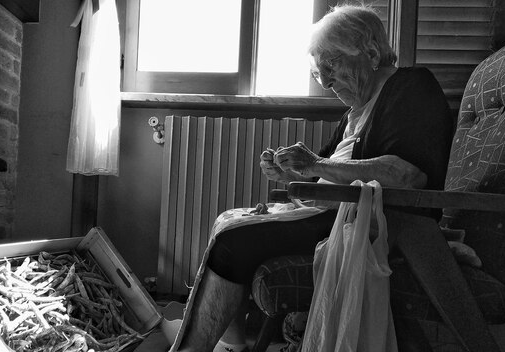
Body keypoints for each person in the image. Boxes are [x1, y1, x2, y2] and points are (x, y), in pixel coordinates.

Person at [170, 4, 455, 352]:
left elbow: (408, 175)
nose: (326, 80)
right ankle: (229, 347)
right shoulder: (353, 114)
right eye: (319, 71)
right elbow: (319, 175)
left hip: (378, 227)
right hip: (335, 216)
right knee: (229, 220)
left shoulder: (411, 86)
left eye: (331, 64)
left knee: (233, 240)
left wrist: (316, 164)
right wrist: (288, 170)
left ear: (370, 51)